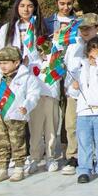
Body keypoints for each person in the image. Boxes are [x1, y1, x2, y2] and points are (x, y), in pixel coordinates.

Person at [0, 46, 40, 183]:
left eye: (6, 63)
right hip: (0, 114)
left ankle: (19, 167)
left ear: (16, 62)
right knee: (1, 142)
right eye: (0, 63)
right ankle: (2, 168)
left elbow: (33, 94)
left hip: (16, 115)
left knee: (17, 142)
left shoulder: (26, 77)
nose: (3, 66)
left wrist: (26, 106)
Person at [69, 36, 98, 183]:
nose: (94, 58)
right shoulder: (81, 68)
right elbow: (72, 92)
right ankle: (84, 169)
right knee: (84, 142)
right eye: (92, 55)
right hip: (84, 111)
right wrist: (74, 88)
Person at [60, 13, 98, 175]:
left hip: (94, 94)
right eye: (82, 28)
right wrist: (67, 86)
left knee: (95, 126)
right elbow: (68, 66)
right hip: (75, 92)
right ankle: (73, 156)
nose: (84, 32)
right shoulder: (73, 45)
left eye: (88, 28)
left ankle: (95, 155)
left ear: (96, 28)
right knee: (71, 125)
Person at [28, 34, 63, 174]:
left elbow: (60, 71)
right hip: (36, 99)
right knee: (35, 130)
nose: (42, 51)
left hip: (51, 97)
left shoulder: (55, 60)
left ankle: (50, 157)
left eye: (45, 48)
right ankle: (34, 158)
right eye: (39, 49)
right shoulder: (32, 62)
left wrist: (54, 42)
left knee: (51, 129)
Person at [0, 0, 45, 75]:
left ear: (34, 8)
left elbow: (45, 55)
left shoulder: (40, 28)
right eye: (22, 6)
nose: (25, 9)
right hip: (11, 74)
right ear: (17, 7)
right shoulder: (6, 28)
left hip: (34, 73)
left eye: (30, 6)